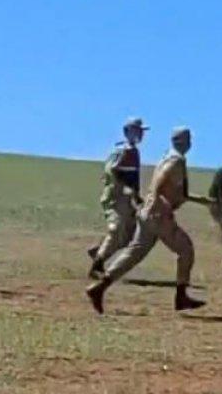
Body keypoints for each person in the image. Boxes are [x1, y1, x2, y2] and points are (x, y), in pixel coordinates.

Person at [87, 126, 211, 313]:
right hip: (158, 215)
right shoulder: (176, 160)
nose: (190, 143)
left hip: (148, 214)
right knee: (186, 250)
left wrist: (203, 201)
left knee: (134, 253)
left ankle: (98, 288)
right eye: (188, 139)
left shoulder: (168, 157)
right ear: (183, 141)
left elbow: (177, 193)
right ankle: (181, 297)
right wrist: (163, 205)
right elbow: (159, 185)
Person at [87, 117, 147, 279]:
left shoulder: (126, 150)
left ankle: (99, 251)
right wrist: (130, 191)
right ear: (127, 132)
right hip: (117, 196)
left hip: (122, 197)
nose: (140, 134)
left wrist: (135, 195)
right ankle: (97, 265)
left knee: (129, 234)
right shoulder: (125, 151)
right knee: (117, 230)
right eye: (137, 130)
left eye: (141, 131)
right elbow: (116, 172)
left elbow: (129, 175)